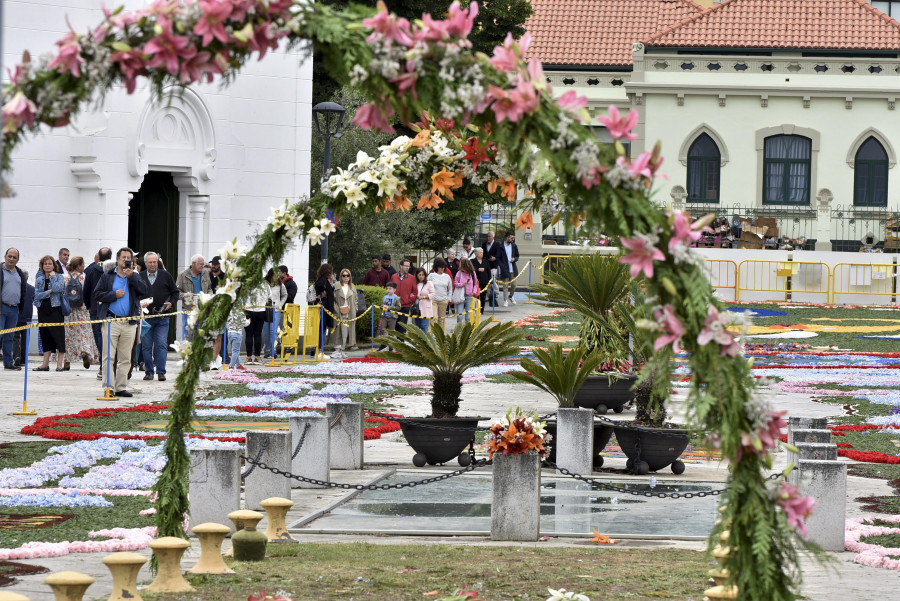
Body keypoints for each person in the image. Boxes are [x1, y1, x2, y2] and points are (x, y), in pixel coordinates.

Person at [91, 248, 148, 396]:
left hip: (129, 322)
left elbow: (144, 291)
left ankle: (121, 387)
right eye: (123, 257)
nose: (126, 260)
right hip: (111, 320)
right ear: (117, 259)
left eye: (129, 258)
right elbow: (97, 294)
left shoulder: (134, 276)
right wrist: (113, 295)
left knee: (125, 357)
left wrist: (133, 277)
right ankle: (108, 388)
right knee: (108, 356)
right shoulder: (107, 276)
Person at [139, 252, 179, 381]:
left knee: (161, 344)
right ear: (145, 263)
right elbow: (134, 294)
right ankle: (149, 371)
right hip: (146, 318)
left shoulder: (165, 275)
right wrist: (140, 305)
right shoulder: (140, 277)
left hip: (162, 317)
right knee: (146, 346)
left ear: (158, 262)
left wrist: (171, 303)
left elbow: (175, 292)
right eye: (150, 262)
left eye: (154, 262)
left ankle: (161, 372)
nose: (152, 264)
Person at [33, 255, 67, 371]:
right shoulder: (39, 279)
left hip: (55, 310)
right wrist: (50, 291)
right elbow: (37, 295)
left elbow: (59, 289)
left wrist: (52, 279)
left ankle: (59, 364)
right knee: (45, 335)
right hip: (43, 309)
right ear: (42, 266)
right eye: (45, 264)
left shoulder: (59, 277)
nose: (47, 265)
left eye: (49, 263)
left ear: (54, 265)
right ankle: (45, 364)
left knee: (58, 336)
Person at [63, 256, 97, 370]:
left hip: (69, 311)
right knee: (84, 334)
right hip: (82, 310)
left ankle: (67, 361)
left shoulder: (65, 277)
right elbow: (89, 293)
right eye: (83, 265)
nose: (84, 267)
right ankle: (85, 352)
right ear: (78, 266)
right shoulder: (84, 277)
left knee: (68, 335)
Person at [83, 247, 111, 379]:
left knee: (99, 337)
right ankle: (106, 366)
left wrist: (88, 305)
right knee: (108, 338)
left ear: (98, 257)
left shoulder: (92, 269)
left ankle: (102, 366)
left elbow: (86, 289)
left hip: (95, 307)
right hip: (110, 307)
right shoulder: (114, 269)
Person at [1, 248, 27, 371]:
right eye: (9, 256)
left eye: (14, 257)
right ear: (5, 256)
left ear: (17, 260)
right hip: (1, 308)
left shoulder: (19, 273)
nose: (11, 259)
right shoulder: (0, 270)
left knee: (10, 337)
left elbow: (23, 291)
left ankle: (8, 362)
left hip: (14, 309)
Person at [175, 254, 211, 340]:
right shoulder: (183, 275)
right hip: (189, 309)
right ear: (193, 263)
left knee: (203, 335)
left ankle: (200, 353)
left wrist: (209, 295)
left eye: (203, 264)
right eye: (200, 264)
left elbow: (209, 288)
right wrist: (187, 295)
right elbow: (177, 293)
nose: (203, 266)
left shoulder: (205, 273)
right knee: (190, 335)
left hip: (204, 309)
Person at [330, 268, 357, 359]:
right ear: (341, 276)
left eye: (347, 275)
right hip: (339, 312)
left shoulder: (352, 286)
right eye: (344, 275)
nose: (346, 277)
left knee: (346, 332)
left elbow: (356, 299)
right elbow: (332, 299)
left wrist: (355, 309)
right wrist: (336, 309)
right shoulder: (336, 285)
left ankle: (341, 350)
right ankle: (337, 350)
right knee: (338, 331)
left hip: (350, 312)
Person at [263, 268, 288, 359]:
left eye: (277, 274)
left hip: (276, 310)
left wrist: (280, 304)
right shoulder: (265, 284)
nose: (277, 276)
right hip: (266, 309)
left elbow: (285, 295)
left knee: (273, 330)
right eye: (275, 275)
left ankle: (273, 351)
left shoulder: (280, 285)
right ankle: (268, 350)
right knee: (266, 331)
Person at [244, 279, 268, 365]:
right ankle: (257, 357)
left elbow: (242, 294)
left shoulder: (247, 282)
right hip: (261, 310)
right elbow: (269, 296)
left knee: (249, 334)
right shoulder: (265, 284)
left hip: (248, 310)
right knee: (258, 334)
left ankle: (248, 357)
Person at [314, 263, 335, 359]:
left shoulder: (325, 280)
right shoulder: (322, 280)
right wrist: (323, 293)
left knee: (323, 328)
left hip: (325, 308)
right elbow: (319, 288)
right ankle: (319, 351)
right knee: (321, 328)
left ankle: (320, 350)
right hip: (323, 308)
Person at [13, 273, 35, 367]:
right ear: (28, 277)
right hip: (27, 317)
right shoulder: (32, 289)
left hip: (16, 316)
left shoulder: (15, 288)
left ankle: (16, 356)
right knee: (25, 339)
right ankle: (23, 360)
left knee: (15, 338)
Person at [390, 258, 417, 334]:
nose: (408, 268)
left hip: (405, 306)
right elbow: (390, 288)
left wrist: (409, 300)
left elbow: (415, 291)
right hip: (394, 306)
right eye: (406, 266)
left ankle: (400, 343)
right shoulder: (394, 277)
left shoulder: (412, 278)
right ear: (401, 266)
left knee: (402, 328)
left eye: (409, 266)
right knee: (395, 326)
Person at [427, 258, 452, 331]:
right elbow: (426, 287)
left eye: (443, 266)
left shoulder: (447, 276)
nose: (442, 268)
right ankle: (432, 334)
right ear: (436, 267)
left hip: (444, 300)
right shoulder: (431, 275)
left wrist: (448, 299)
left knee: (441, 320)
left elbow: (450, 288)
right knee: (434, 318)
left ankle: (441, 337)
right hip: (433, 300)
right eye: (440, 266)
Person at [376, 280, 401, 350]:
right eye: (387, 288)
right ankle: (383, 344)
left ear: (394, 290)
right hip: (384, 316)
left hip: (392, 317)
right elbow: (381, 305)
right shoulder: (385, 297)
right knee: (382, 329)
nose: (388, 290)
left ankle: (391, 347)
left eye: (390, 288)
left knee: (391, 332)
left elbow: (398, 307)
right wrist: (382, 306)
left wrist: (389, 307)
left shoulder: (397, 298)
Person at [454, 257, 479, 323]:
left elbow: (475, 284)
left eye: (463, 267)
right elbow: (455, 283)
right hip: (461, 295)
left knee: (468, 317)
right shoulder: (459, 273)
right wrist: (462, 284)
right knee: (460, 316)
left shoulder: (472, 273)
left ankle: (467, 330)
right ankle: (459, 328)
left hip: (469, 295)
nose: (462, 269)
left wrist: (474, 292)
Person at [499, 231, 520, 306]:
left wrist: (515, 259)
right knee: (505, 286)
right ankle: (505, 300)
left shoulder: (514, 246)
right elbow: (498, 258)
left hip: (512, 268)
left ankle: (511, 296)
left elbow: (517, 255)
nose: (512, 239)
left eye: (513, 238)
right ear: (507, 238)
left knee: (514, 284)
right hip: (505, 269)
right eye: (511, 238)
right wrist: (502, 266)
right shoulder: (501, 246)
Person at [411, 267, 435, 332]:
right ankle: (418, 341)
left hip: (425, 308)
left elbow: (433, 294)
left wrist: (423, 297)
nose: (421, 276)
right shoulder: (415, 283)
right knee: (417, 326)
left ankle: (423, 341)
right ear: (417, 275)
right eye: (419, 275)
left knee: (424, 326)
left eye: (423, 275)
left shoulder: (429, 283)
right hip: (416, 307)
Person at [481, 231, 501, 308]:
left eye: (490, 236)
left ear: (493, 237)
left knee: (492, 279)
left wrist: (495, 258)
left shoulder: (497, 244)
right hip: (486, 265)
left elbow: (499, 254)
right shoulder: (484, 244)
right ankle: (489, 295)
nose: (488, 238)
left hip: (493, 265)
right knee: (487, 281)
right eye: (487, 236)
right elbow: (483, 254)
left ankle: (496, 294)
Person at [226, 302, 248, 369]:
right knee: (235, 351)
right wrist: (248, 321)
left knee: (235, 349)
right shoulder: (240, 313)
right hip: (237, 333)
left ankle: (238, 364)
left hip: (230, 333)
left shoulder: (229, 312)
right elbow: (245, 323)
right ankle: (231, 365)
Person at [472, 248, 491, 314]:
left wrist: (490, 281)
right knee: (476, 296)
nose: (481, 254)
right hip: (476, 281)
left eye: (482, 252)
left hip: (484, 280)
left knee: (483, 296)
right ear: (476, 254)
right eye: (480, 252)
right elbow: (471, 270)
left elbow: (489, 271)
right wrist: (478, 269)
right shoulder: (472, 261)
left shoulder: (485, 261)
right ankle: (476, 309)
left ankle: (481, 310)